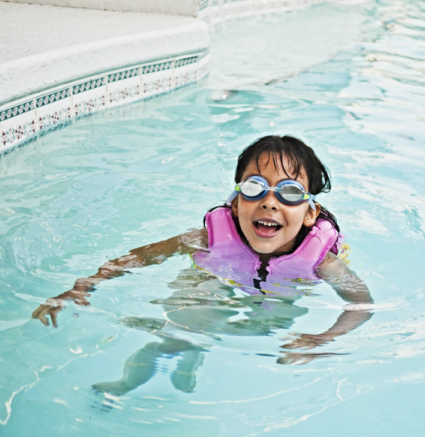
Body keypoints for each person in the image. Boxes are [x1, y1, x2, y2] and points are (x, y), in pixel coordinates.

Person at [31, 135, 373, 394]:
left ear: (310, 213)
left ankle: (196, 350)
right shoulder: (208, 240)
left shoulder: (322, 263)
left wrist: (323, 339)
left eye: (290, 193)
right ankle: (126, 384)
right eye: (255, 187)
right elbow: (142, 256)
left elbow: (361, 305)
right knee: (173, 334)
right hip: (212, 283)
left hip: (277, 297)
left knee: (258, 331)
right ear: (237, 202)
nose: (270, 203)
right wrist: (85, 284)